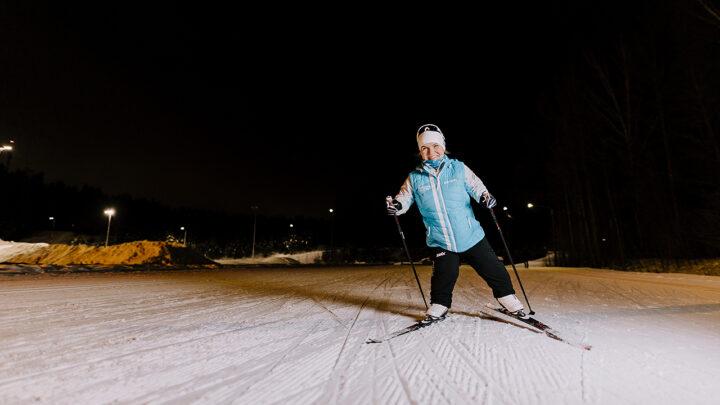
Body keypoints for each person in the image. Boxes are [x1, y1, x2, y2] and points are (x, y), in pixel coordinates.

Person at [386, 123, 526, 322]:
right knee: (444, 275)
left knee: (493, 269)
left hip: (470, 234)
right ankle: (440, 305)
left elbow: (476, 186)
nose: (431, 152)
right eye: (424, 148)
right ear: (420, 152)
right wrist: (397, 206)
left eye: (435, 146)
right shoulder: (414, 178)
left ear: (443, 146)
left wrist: (485, 197)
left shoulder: (458, 168)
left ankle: (508, 299)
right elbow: (404, 198)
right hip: (440, 238)